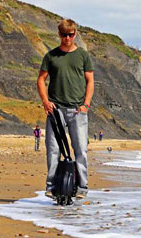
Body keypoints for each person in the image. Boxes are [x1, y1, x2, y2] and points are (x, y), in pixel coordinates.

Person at [37, 19, 94, 200]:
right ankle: (51, 186)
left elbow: (90, 81)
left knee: (80, 149)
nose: (67, 38)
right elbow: (41, 80)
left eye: (70, 35)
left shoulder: (83, 56)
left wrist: (86, 104)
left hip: (78, 111)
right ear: (59, 34)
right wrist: (45, 101)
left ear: (75, 34)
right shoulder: (51, 56)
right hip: (56, 110)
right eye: (64, 35)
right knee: (53, 149)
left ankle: (82, 187)